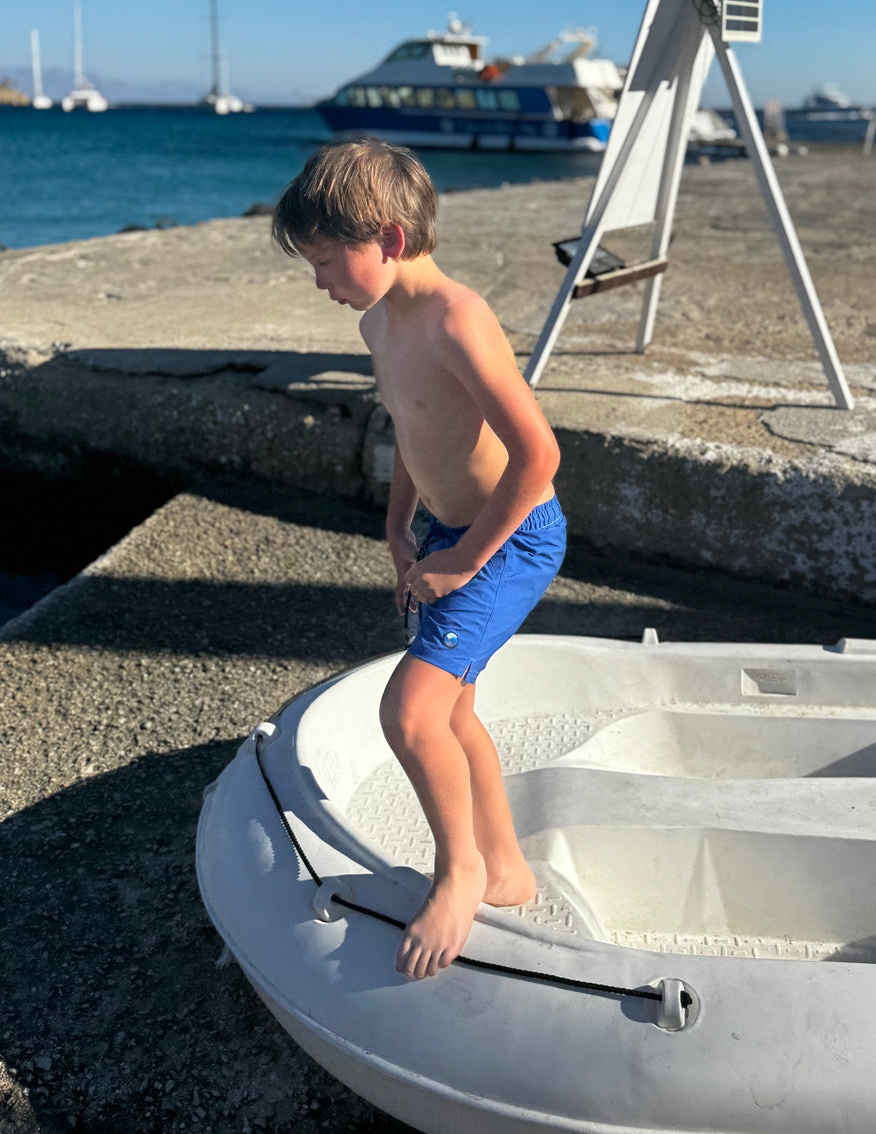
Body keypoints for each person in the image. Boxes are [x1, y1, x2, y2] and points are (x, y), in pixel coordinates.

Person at [272, 138, 565, 981]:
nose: (320, 282)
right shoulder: (379, 321)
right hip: (446, 534)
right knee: (454, 712)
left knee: (409, 714)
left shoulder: (457, 320)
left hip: (510, 538)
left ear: (390, 240)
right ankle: (504, 867)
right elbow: (413, 425)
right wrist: (399, 525)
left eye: (327, 261)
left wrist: (468, 557)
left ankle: (460, 870)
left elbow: (538, 456)